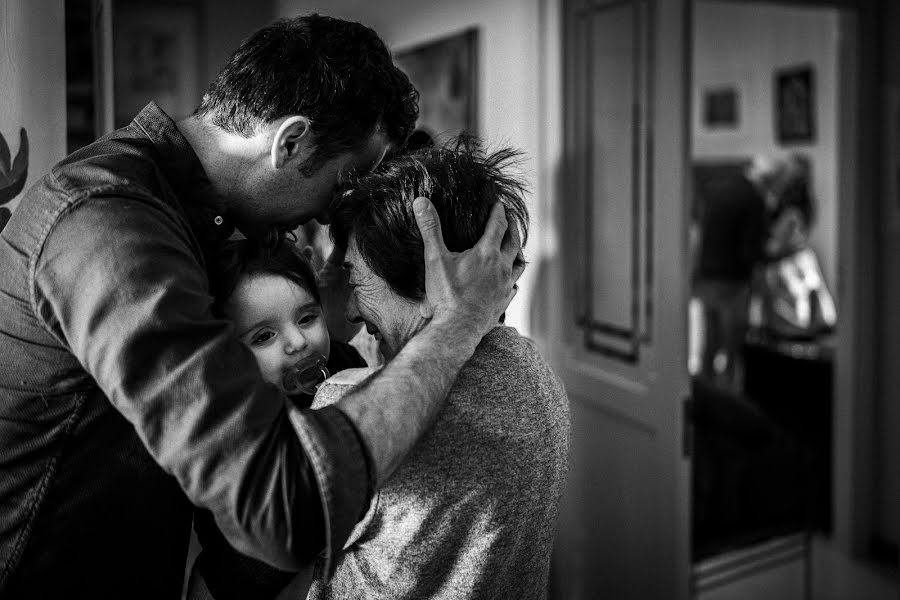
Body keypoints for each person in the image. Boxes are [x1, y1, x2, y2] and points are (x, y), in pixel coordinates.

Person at [0, 15, 521, 598]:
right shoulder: (107, 224)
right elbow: (279, 513)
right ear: (289, 141)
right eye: (342, 183)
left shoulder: (199, 223)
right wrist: (454, 325)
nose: (330, 214)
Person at [305, 137, 570, 599]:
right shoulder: (537, 376)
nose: (349, 310)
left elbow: (271, 538)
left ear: (435, 280)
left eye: (356, 281)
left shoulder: (347, 408)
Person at [693, 155, 788, 392]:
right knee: (734, 350)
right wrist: (779, 252)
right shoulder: (752, 199)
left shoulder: (717, 190)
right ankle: (729, 404)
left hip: (708, 277)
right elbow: (750, 252)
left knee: (709, 347)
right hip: (732, 283)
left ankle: (704, 401)